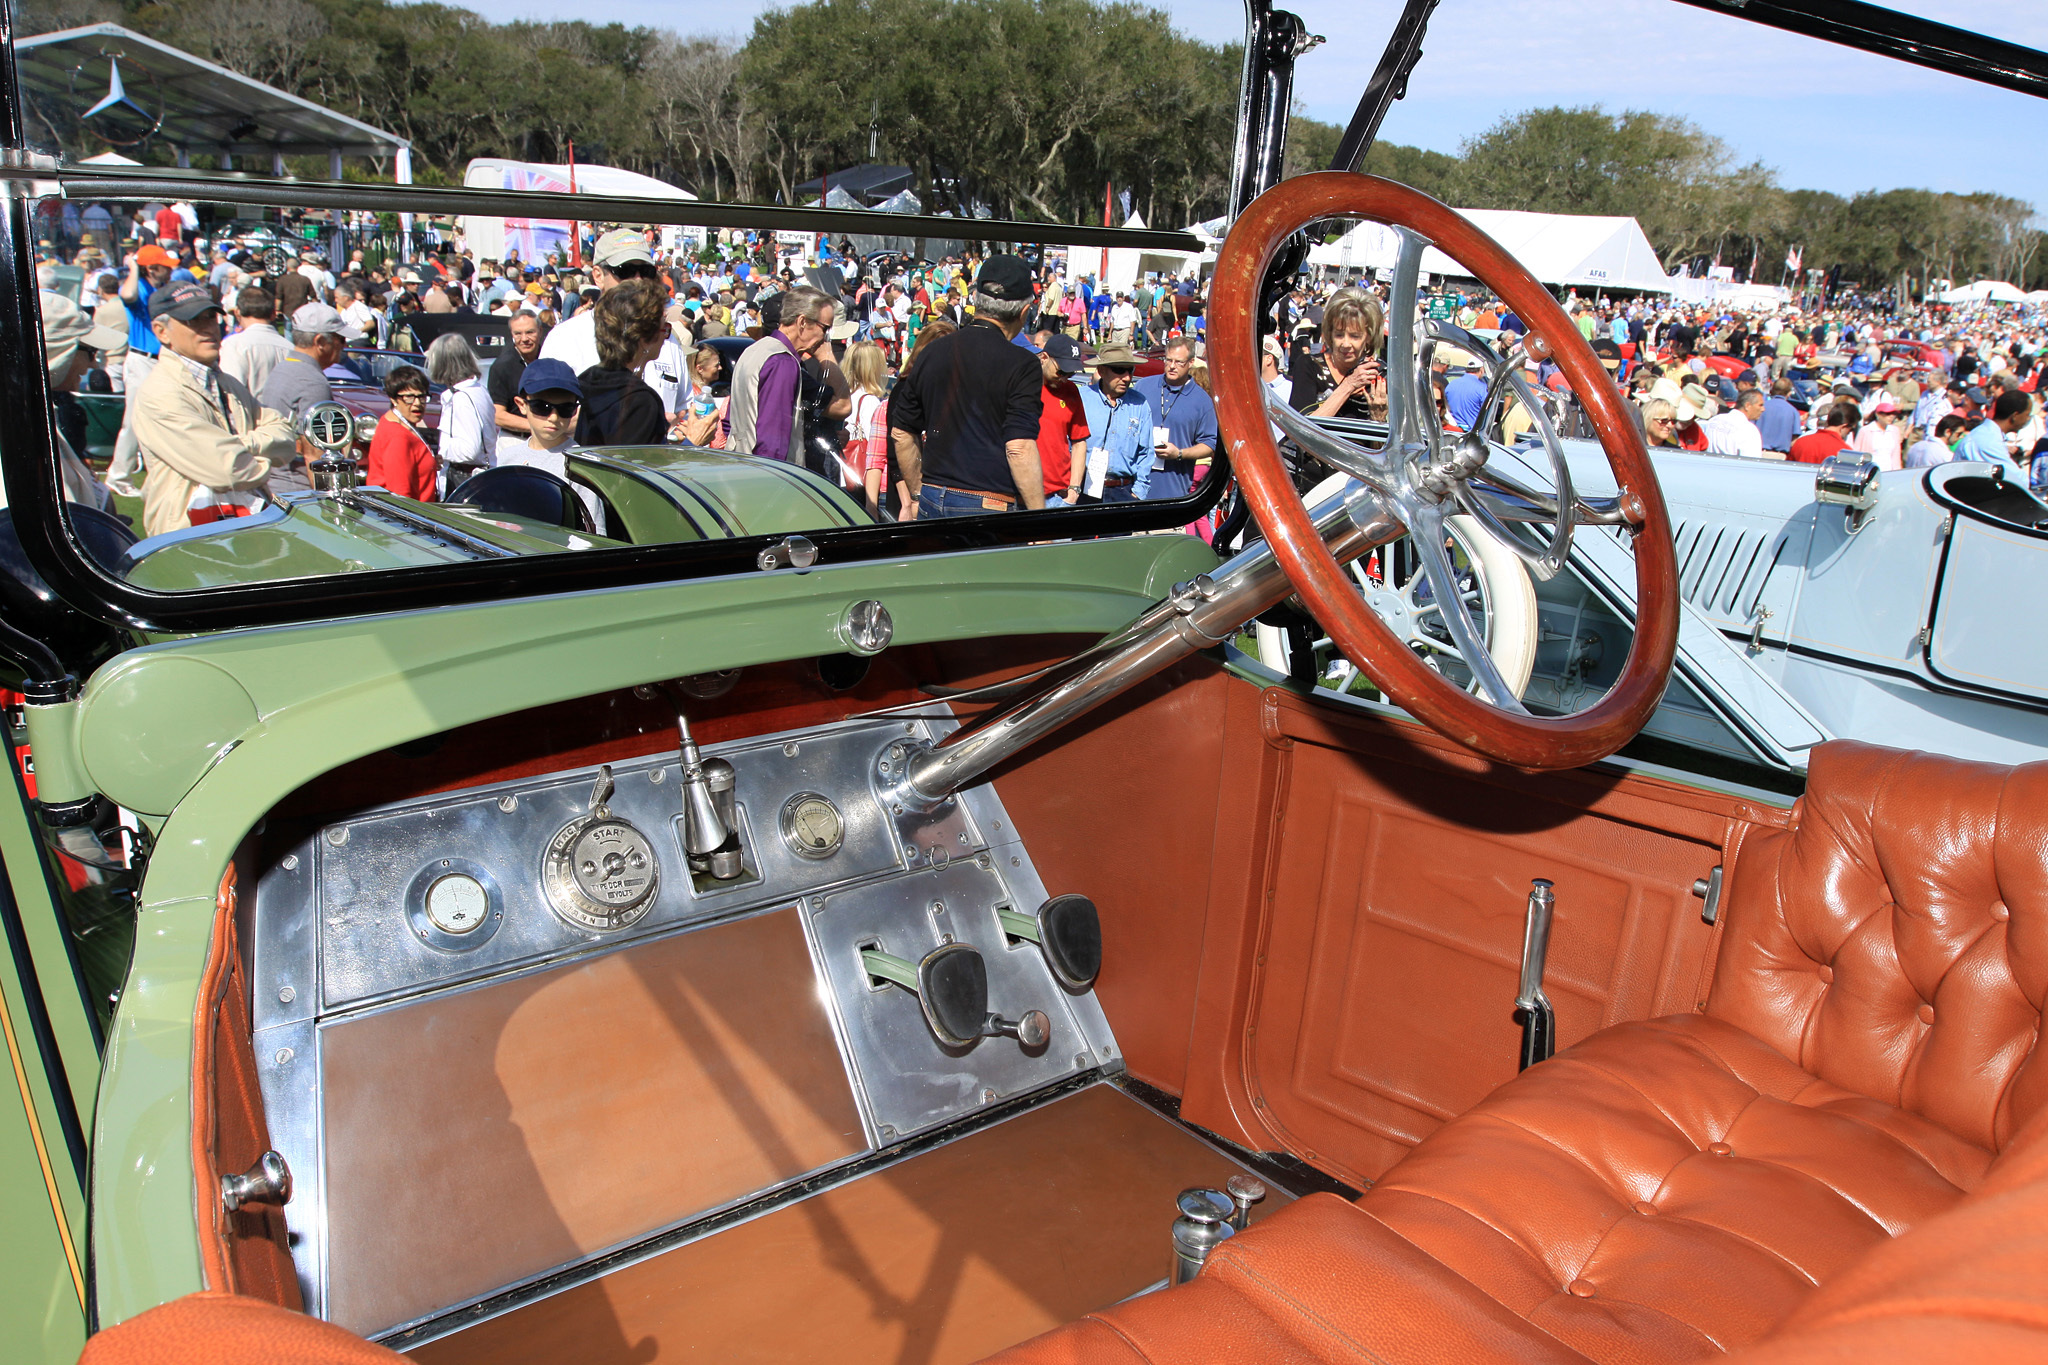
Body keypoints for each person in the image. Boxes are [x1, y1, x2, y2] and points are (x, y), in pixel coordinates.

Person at [887, 254, 1044, 517]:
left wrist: (917, 493)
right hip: (988, 502)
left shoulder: (931, 351)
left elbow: (902, 432)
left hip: (933, 494)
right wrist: (1041, 520)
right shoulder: (1023, 364)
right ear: (1024, 311)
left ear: (975, 301)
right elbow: (1019, 447)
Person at [131, 282, 292, 538]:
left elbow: (286, 437)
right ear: (162, 332)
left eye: (211, 317)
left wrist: (241, 445)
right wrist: (264, 457)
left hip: (245, 524)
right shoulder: (160, 393)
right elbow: (228, 468)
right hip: (189, 536)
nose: (208, 328)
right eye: (193, 321)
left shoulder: (227, 383)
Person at [28, 294, 122, 510]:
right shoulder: (21, 425)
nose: (94, 366)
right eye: (90, 352)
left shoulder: (34, 411)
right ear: (55, 352)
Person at [492, 358, 603, 529]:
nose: (554, 417)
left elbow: (594, 532)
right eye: (541, 407)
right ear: (522, 405)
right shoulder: (508, 457)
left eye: (566, 409)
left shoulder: (581, 464)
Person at [728, 285, 834, 461]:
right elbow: (772, 443)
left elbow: (729, 422)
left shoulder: (753, 350)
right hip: (766, 477)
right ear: (802, 322)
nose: (825, 338)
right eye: (825, 328)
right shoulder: (782, 362)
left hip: (741, 466)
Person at [108, 243, 178, 495]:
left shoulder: (154, 288)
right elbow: (126, 296)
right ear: (151, 267)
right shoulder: (137, 285)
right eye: (163, 268)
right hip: (140, 359)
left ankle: (150, 474)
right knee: (133, 421)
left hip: (157, 359)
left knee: (159, 417)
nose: (169, 272)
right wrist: (134, 267)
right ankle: (118, 477)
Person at [575, 278, 670, 448]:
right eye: (664, 328)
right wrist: (691, 441)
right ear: (643, 338)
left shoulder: (585, 381)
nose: (665, 336)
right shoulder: (640, 401)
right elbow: (635, 471)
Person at [1132, 337, 1217, 501]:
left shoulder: (1202, 400)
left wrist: (1179, 453)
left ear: (1191, 362)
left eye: (1179, 362)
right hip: (1134, 490)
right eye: (1168, 360)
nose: (1171, 366)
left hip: (1173, 494)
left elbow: (1210, 445)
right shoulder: (1143, 387)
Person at [1290, 287, 1386, 421]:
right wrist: (1348, 385)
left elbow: (1385, 441)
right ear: (1330, 333)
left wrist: (1378, 418)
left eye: (1355, 336)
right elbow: (1300, 428)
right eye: (1339, 335)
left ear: (1369, 337)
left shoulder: (1380, 375)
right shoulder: (1309, 365)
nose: (1346, 344)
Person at [1077, 344, 1152, 502]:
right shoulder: (1081, 399)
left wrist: (1138, 493)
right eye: (1119, 370)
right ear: (1102, 371)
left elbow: (1146, 453)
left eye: (1129, 370)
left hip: (1124, 492)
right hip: (1083, 489)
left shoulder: (1140, 403)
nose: (1126, 377)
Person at [425, 333, 499, 490]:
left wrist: (439, 454)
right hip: (482, 475)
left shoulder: (461, 398)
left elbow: (469, 451)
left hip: (463, 478)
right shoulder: (479, 390)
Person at [259, 302, 346, 427]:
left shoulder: (282, 368)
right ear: (320, 342)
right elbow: (314, 444)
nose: (344, 346)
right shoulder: (312, 382)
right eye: (341, 339)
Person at [363, 365, 437, 501]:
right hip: (410, 515)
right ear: (393, 399)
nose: (417, 403)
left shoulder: (393, 421)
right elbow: (401, 495)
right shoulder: (398, 437)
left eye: (422, 396)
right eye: (409, 397)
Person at [1035, 334, 1090, 507]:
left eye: (1070, 373)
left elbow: (1079, 441)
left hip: (1059, 497)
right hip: (1020, 496)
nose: (1064, 378)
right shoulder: (1023, 384)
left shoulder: (1071, 390)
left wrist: (1074, 489)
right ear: (1044, 358)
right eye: (1061, 372)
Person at [841, 340, 889, 514]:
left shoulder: (844, 396)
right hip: (862, 485)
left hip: (844, 478)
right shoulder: (870, 402)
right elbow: (874, 454)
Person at [217, 287, 290, 399]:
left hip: (253, 414)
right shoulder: (291, 347)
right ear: (273, 314)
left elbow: (231, 394)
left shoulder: (234, 344)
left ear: (237, 313)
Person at [489, 311, 547, 437]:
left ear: (540, 331)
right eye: (518, 334)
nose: (524, 339)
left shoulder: (550, 359)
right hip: (516, 439)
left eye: (530, 332)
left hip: (550, 439)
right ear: (511, 334)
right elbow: (498, 415)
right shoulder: (502, 366)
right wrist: (539, 427)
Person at [1954, 389, 2032, 479]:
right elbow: (2017, 478)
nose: (2028, 419)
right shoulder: (1988, 441)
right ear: (2015, 416)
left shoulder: (1989, 435)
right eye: (2027, 414)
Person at [676, 343, 728, 449]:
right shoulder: (697, 397)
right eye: (716, 365)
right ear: (700, 369)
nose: (720, 368)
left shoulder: (694, 391)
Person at [1702, 389, 1768, 460]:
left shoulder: (1714, 420)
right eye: (1760, 405)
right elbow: (1752, 463)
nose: (1763, 409)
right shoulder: (1749, 430)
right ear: (1747, 406)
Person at [1789, 402, 1860, 465]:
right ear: (1843, 426)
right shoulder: (1843, 452)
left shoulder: (1801, 441)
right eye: (1851, 429)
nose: (1849, 433)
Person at [1851, 395, 1904, 471]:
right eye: (1887, 414)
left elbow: (1896, 457)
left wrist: (1897, 472)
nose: (1891, 417)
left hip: (1889, 471)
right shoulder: (1866, 430)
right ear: (1878, 414)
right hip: (1870, 471)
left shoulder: (1895, 430)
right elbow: (1856, 453)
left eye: (1893, 414)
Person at [1905, 413, 1970, 469]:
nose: (1961, 437)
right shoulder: (1945, 455)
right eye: (1958, 434)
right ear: (1948, 432)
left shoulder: (1916, 446)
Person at [1756, 378, 1801, 456]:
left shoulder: (1760, 407)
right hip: (1780, 455)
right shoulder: (1793, 411)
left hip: (1759, 452)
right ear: (1789, 393)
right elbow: (1794, 440)